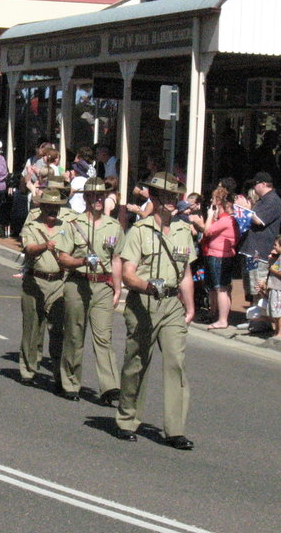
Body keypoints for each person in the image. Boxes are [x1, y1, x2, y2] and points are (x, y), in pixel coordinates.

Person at [114, 172, 195, 450]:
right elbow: (128, 274)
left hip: (171, 304)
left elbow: (185, 272)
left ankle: (175, 429)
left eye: (176, 195)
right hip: (144, 302)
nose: (173, 201)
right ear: (155, 197)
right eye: (167, 195)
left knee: (175, 362)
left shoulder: (184, 230)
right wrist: (148, 286)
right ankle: (127, 419)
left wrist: (190, 304)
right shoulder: (140, 231)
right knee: (137, 362)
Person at [56, 178, 123, 405]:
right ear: (85, 198)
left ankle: (110, 387)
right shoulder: (73, 223)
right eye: (93, 196)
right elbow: (62, 257)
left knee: (104, 337)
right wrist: (80, 261)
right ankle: (70, 382)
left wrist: (117, 287)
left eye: (101, 196)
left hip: (102, 286)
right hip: (78, 282)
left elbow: (115, 258)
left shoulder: (113, 226)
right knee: (75, 335)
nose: (98, 199)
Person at [18, 188, 69, 388]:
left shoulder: (67, 227)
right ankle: (28, 371)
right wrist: (43, 246)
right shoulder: (32, 226)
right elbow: (29, 248)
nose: (53, 211)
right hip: (35, 281)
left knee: (58, 331)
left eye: (56, 207)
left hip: (59, 282)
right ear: (42, 207)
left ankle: (59, 375)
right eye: (49, 207)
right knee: (32, 329)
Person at [235, 171, 281, 310]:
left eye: (256, 184)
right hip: (251, 250)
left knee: (258, 287)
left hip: (259, 252)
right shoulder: (263, 200)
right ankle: (253, 318)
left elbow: (258, 220)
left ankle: (261, 320)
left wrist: (244, 208)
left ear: (263, 184)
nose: (254, 187)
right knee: (250, 287)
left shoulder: (272, 200)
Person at [201, 185, 239, 329]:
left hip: (219, 256)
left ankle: (223, 320)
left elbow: (207, 231)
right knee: (223, 288)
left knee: (221, 289)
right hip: (222, 256)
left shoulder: (226, 220)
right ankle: (221, 316)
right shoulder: (228, 219)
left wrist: (210, 215)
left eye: (213, 199)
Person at [260, 233, 281, 339]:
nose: (274, 247)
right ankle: (277, 331)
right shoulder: (280, 257)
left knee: (277, 311)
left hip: (279, 289)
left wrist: (273, 269)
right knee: (272, 311)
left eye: (276, 245)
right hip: (274, 287)